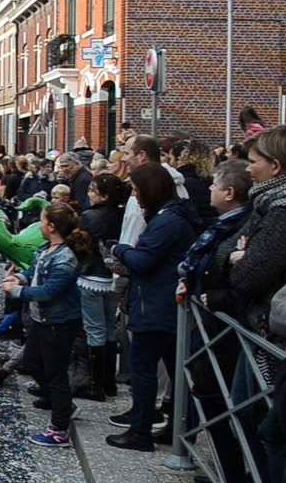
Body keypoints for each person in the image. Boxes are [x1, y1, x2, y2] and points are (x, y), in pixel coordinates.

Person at [213, 124, 286, 479]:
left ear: (275, 166)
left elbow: (249, 277)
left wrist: (238, 261)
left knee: (264, 424)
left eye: (253, 161)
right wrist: (233, 256)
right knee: (244, 413)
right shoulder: (267, 203)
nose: (247, 168)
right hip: (256, 329)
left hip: (271, 334)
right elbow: (224, 250)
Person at [106, 162, 200, 452]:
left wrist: (120, 249)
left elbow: (143, 261)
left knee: (144, 369)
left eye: (136, 190)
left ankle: (140, 431)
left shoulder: (166, 221)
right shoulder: (174, 216)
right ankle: (178, 428)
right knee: (176, 371)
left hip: (155, 306)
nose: (134, 196)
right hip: (164, 304)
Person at [179, 159, 254, 483]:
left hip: (224, 328)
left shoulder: (241, 225)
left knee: (224, 400)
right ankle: (228, 470)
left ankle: (234, 473)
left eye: (214, 184)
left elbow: (247, 278)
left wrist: (214, 293)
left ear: (230, 192)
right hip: (212, 324)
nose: (208, 188)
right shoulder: (225, 225)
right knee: (213, 394)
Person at [4, 201, 91, 447]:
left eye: (41, 221)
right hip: (42, 319)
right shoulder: (47, 248)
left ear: (51, 226)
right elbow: (32, 270)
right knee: (32, 362)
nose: (38, 225)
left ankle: (59, 429)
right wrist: (17, 276)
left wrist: (18, 291)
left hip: (59, 323)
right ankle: (63, 404)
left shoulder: (64, 258)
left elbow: (50, 290)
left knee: (55, 374)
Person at [77, 173, 128, 401]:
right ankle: (109, 382)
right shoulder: (123, 214)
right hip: (112, 277)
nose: (88, 194)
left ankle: (96, 385)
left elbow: (80, 246)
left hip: (91, 276)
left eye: (92, 191)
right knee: (109, 329)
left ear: (104, 195)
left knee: (94, 329)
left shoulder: (88, 216)